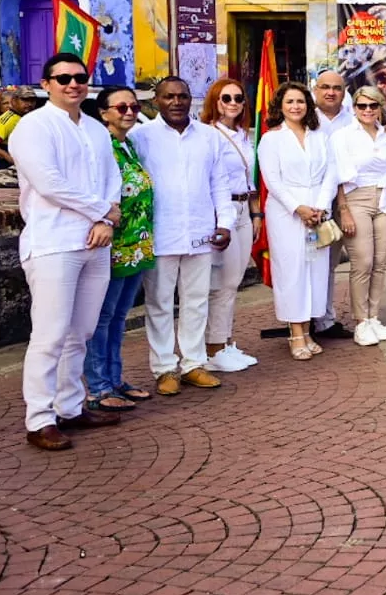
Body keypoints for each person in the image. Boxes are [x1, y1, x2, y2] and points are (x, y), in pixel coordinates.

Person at [9, 53, 123, 450]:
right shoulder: (32, 128)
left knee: (81, 332)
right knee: (50, 334)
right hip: (54, 241)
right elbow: (49, 183)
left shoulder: (94, 128)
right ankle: (39, 418)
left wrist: (105, 221)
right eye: (63, 78)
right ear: (46, 85)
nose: (73, 84)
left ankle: (71, 407)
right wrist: (99, 210)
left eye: (79, 77)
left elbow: (112, 177)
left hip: (96, 241)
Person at [130, 77, 233, 396]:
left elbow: (220, 182)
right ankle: (164, 368)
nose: (177, 102)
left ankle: (192, 364)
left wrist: (225, 221)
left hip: (201, 232)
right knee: (159, 302)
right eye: (169, 97)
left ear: (192, 100)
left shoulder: (208, 137)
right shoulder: (140, 136)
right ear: (156, 101)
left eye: (183, 96)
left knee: (196, 300)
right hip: (160, 233)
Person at [82, 86, 155, 413]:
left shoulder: (129, 146)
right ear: (103, 112)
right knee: (102, 317)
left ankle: (114, 378)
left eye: (134, 106)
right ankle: (98, 387)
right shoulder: (101, 147)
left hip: (136, 246)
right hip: (111, 246)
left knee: (118, 317)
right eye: (121, 106)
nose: (129, 111)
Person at [257, 81, 338, 360]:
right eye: (290, 102)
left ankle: (309, 329)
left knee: (315, 270)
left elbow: (331, 172)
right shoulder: (271, 139)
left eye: (300, 101)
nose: (295, 107)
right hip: (286, 214)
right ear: (280, 106)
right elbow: (273, 182)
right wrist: (298, 208)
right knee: (291, 271)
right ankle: (295, 332)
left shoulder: (319, 135)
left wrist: (321, 207)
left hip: (317, 211)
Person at [333, 85, 386, 345]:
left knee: (380, 263)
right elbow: (337, 178)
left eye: (373, 105)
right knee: (363, 262)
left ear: (380, 108)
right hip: (356, 199)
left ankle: (373, 316)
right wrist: (343, 210)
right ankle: (361, 321)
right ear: (354, 108)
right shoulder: (342, 136)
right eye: (362, 106)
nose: (367, 110)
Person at [199, 78, 260, 373]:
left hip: (243, 209)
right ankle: (212, 347)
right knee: (219, 283)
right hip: (220, 212)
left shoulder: (244, 135)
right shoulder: (209, 134)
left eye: (238, 98)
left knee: (234, 281)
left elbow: (248, 179)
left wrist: (255, 214)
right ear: (215, 101)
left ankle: (224, 341)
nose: (233, 103)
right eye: (227, 98)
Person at [311, 71, 356, 340]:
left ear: (344, 91)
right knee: (306, 261)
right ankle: (303, 317)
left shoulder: (353, 121)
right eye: (325, 87)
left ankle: (325, 319)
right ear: (315, 90)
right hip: (308, 204)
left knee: (328, 262)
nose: (330, 92)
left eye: (336, 88)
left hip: (343, 202)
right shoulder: (304, 117)